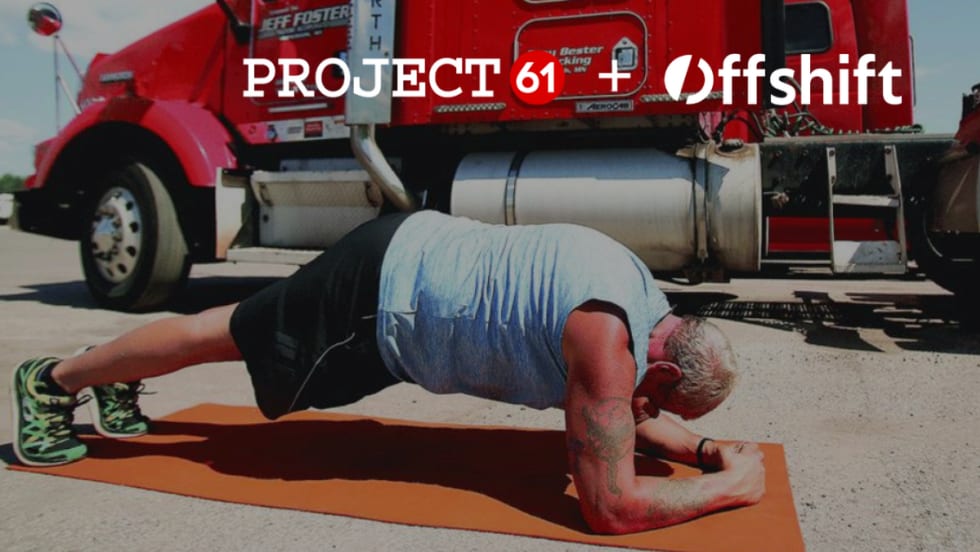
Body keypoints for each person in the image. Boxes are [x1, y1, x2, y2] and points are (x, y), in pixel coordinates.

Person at [11, 211, 765, 535]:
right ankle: (56, 380)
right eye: (666, 402)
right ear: (661, 368)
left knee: (231, 330)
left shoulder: (644, 301)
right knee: (226, 334)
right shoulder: (605, 344)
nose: (649, 410)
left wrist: (704, 452)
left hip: (408, 255)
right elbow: (611, 508)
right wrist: (730, 488)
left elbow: (626, 415)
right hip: (378, 296)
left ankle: (108, 378)